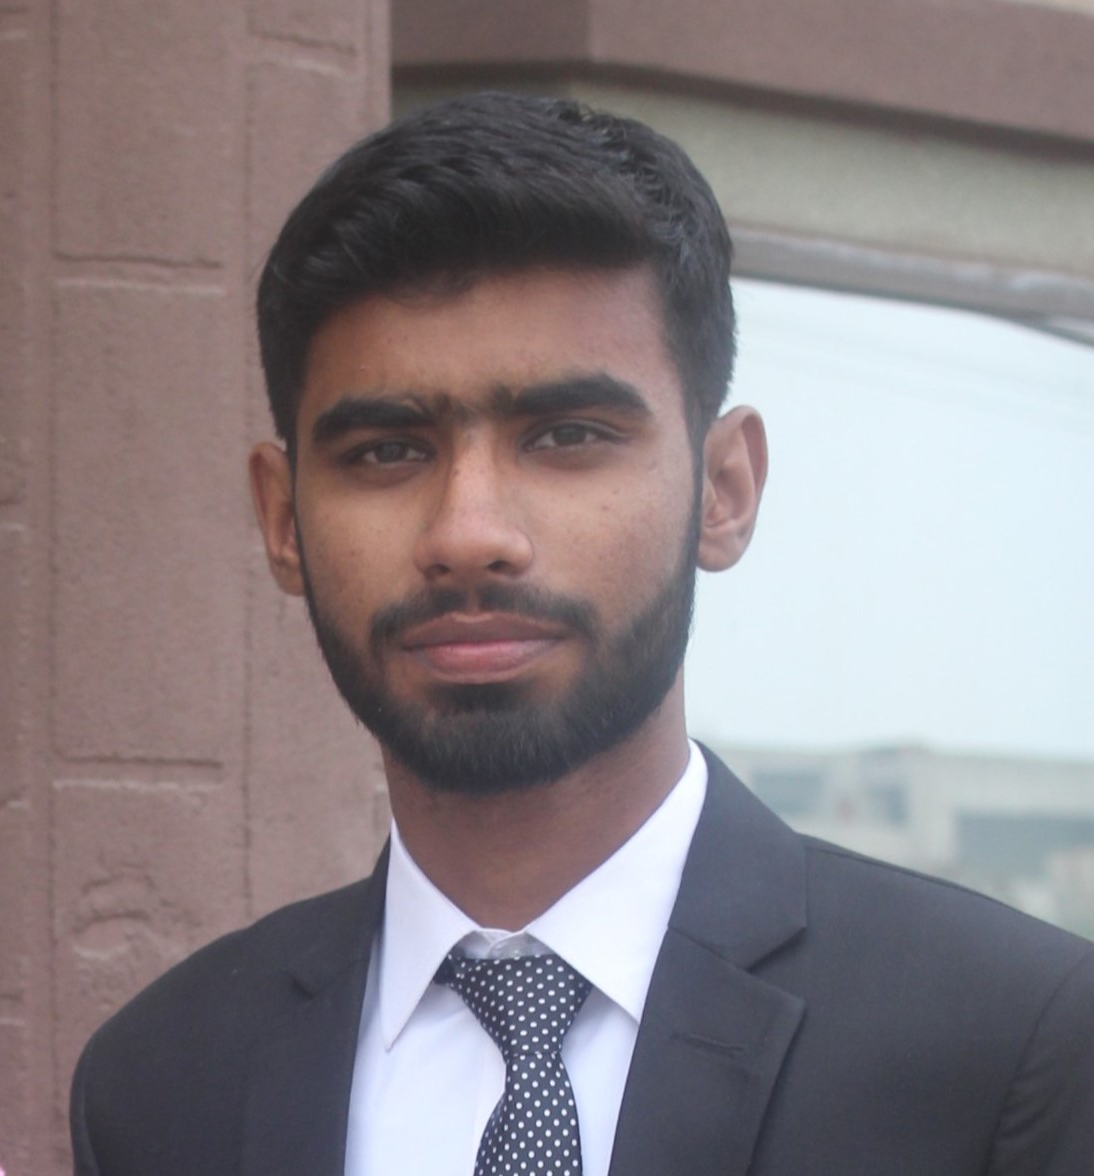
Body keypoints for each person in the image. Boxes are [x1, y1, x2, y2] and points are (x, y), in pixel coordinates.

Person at [70, 92, 1094, 1176]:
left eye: (566, 435)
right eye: (386, 451)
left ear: (724, 490)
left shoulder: (1008, 1048)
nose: (469, 535)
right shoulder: (164, 1082)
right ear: (283, 521)